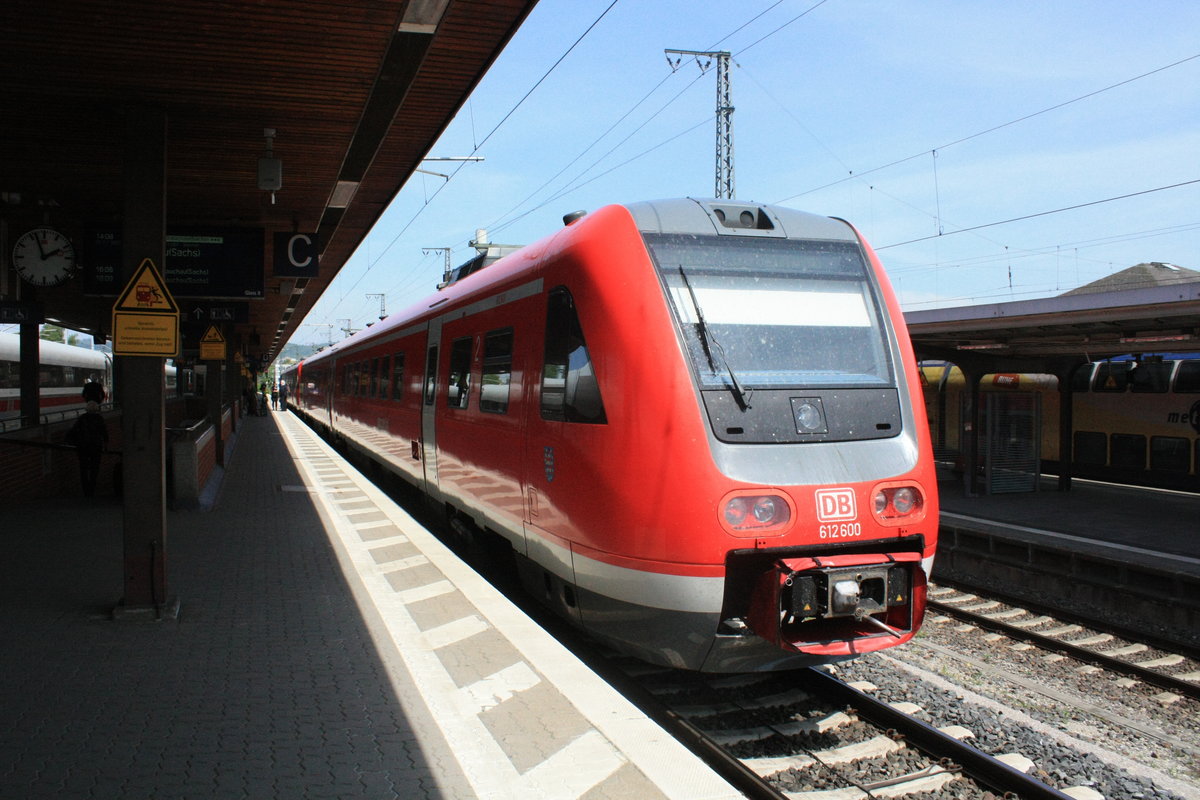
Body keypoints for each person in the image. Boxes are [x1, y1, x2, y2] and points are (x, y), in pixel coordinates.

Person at [66, 402, 108, 497]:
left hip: (83, 446)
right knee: (94, 468)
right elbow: (104, 432)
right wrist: (105, 444)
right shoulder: (99, 419)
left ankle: (86, 490)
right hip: (96, 446)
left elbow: (74, 430)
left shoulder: (82, 418)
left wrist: (70, 441)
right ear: (97, 409)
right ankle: (92, 489)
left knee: (83, 468)